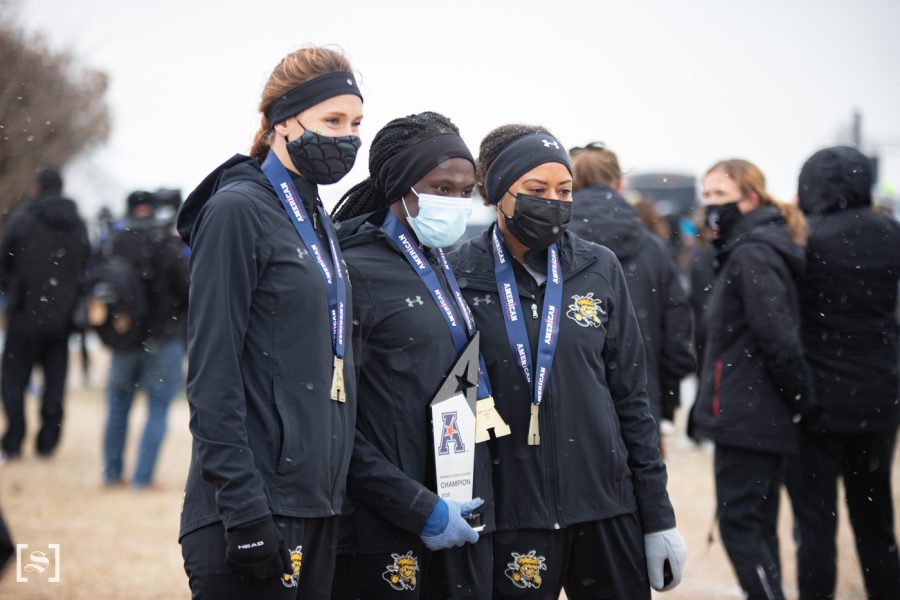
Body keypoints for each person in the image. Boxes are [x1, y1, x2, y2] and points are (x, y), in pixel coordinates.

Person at [450, 125, 685, 599]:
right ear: (497, 193)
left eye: (565, 190)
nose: (554, 201)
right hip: (511, 517)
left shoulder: (598, 267)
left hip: (605, 511)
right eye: (537, 191)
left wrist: (658, 517)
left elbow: (633, 400)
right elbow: (452, 404)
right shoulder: (458, 274)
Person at [175, 46, 364, 599]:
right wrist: (243, 509)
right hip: (253, 512)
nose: (347, 138)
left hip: (317, 505)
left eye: (355, 123)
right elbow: (212, 374)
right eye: (332, 121)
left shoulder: (313, 215)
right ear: (283, 120)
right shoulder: (237, 210)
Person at [330, 111, 492, 598]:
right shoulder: (352, 269)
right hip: (379, 530)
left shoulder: (439, 259)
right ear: (401, 186)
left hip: (451, 504)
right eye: (442, 188)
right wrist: (413, 505)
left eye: (467, 192)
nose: (458, 203)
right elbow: (332, 418)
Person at [690, 159, 817, 600]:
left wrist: (800, 397)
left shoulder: (753, 251)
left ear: (750, 197)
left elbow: (776, 334)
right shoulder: (749, 246)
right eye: (706, 195)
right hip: (754, 407)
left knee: (742, 523)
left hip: (751, 410)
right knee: (758, 524)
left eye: (720, 196)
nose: (710, 205)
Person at [786, 146, 900, 600]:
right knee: (876, 521)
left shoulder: (803, 237)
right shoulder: (892, 233)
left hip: (816, 401)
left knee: (815, 526)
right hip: (878, 398)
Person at [568, 143, 695, 434]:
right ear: (620, 183)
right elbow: (677, 332)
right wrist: (667, 400)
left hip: (570, 400)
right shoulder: (655, 250)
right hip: (642, 399)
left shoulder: (551, 245)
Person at [101, 191, 189, 489]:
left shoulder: (116, 243)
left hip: (124, 339)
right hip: (164, 339)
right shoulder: (166, 243)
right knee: (158, 409)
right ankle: (142, 478)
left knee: (117, 407)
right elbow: (187, 292)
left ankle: (111, 474)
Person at [0, 167, 89, 461]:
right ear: (63, 190)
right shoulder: (77, 224)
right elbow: (86, 268)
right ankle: (47, 445)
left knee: (13, 382)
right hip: (60, 321)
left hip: (23, 316)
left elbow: (3, 262)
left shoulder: (22, 221)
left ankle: (14, 439)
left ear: (37, 188)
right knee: (54, 385)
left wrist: (14, 288)